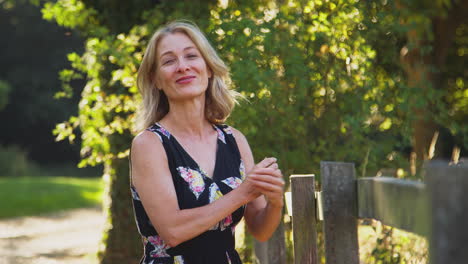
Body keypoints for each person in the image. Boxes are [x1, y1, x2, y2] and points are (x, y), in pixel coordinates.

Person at [130, 20, 284, 264]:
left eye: (191, 56)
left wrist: (275, 202)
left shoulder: (234, 140)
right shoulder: (149, 144)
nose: (182, 67)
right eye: (169, 61)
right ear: (156, 79)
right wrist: (242, 193)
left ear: (209, 68)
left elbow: (261, 230)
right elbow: (172, 231)